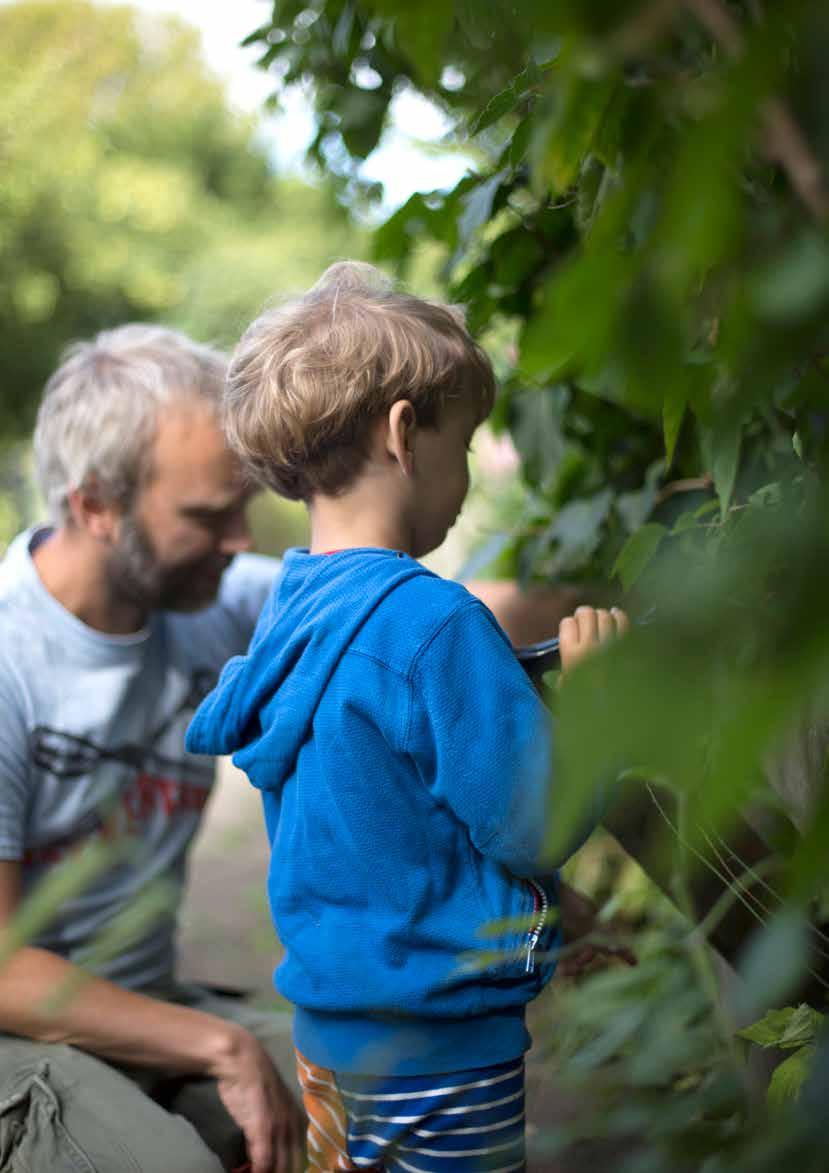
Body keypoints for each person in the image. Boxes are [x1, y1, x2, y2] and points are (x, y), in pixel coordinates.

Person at [187, 263, 628, 1172]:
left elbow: (394, 805)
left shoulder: (293, 610)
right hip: (439, 1055)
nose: (464, 473)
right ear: (403, 433)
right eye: (462, 443)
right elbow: (534, 824)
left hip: (328, 1039)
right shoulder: (434, 623)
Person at [0, 325, 304, 1173]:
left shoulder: (205, 594)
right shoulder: (8, 662)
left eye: (241, 506)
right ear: (96, 506)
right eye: (210, 515)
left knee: (388, 1100)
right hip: (14, 1032)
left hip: (151, 1001)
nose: (240, 538)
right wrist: (220, 1046)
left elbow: (385, 613)